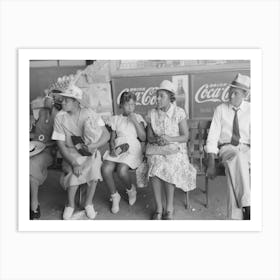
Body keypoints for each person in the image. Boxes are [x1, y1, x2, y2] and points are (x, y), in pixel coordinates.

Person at [52, 85, 110, 220]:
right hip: (70, 153)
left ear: (76, 102)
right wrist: (73, 162)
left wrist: (94, 145)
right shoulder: (59, 117)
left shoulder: (90, 113)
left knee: (94, 167)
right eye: (63, 99)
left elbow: (106, 135)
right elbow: (60, 145)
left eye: (67, 100)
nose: (63, 102)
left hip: (89, 151)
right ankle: (70, 204)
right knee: (74, 171)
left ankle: (88, 203)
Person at [146, 80, 196, 220]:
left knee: (169, 166)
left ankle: (169, 208)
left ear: (170, 98)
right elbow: (149, 137)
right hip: (158, 149)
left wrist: (170, 138)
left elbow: (185, 137)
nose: (158, 98)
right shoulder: (152, 113)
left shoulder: (179, 112)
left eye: (161, 96)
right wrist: (158, 140)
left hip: (176, 150)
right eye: (157, 95)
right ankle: (159, 209)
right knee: (155, 166)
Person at [205, 73, 251, 220]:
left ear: (245, 94)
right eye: (230, 92)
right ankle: (248, 206)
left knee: (236, 167)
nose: (231, 96)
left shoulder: (253, 110)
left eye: (235, 93)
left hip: (248, 150)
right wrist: (211, 162)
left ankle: (236, 218)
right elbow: (212, 137)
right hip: (228, 149)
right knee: (237, 158)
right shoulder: (220, 109)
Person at [101, 91, 146, 214]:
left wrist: (135, 121)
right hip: (119, 147)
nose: (130, 108)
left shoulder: (138, 118)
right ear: (121, 105)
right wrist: (112, 147)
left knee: (121, 170)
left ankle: (131, 190)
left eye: (133, 105)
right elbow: (112, 138)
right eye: (127, 105)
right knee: (105, 169)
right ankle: (115, 196)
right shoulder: (115, 119)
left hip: (132, 149)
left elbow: (143, 138)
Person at [29, 91, 62, 220]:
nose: (47, 100)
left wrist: (52, 109)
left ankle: (34, 204)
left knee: (31, 167)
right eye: (47, 97)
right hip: (32, 148)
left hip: (48, 151)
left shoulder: (60, 116)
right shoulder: (40, 112)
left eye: (52, 98)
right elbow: (32, 129)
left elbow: (60, 141)